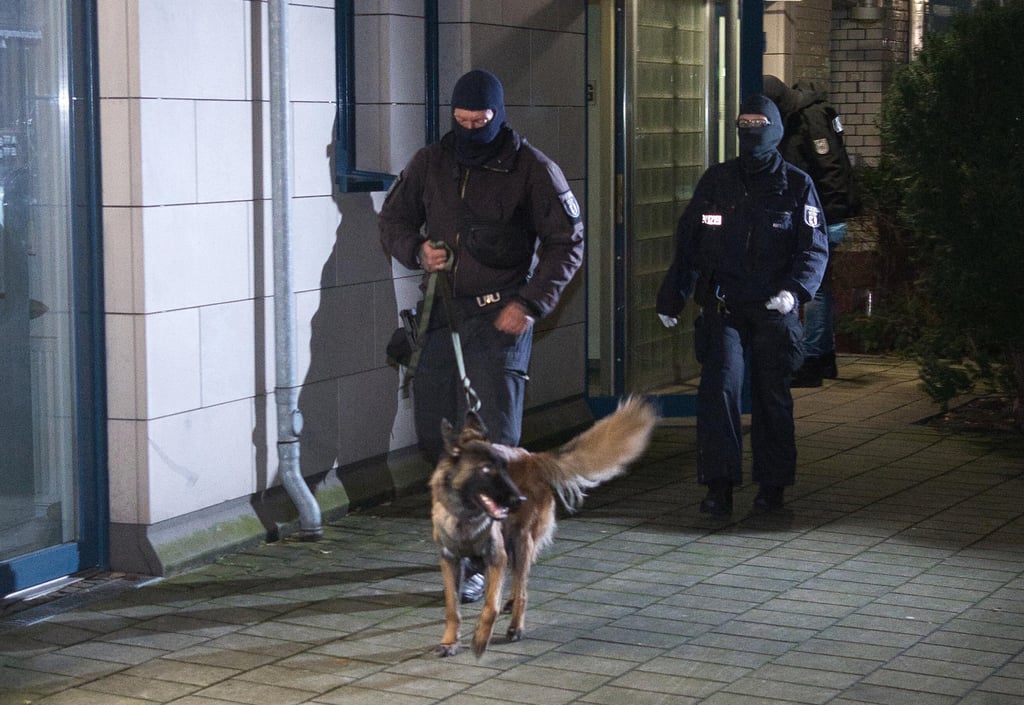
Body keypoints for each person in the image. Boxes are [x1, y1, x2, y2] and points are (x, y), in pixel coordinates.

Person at [379, 69, 584, 597]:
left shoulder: (531, 168)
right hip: (443, 315)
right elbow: (394, 221)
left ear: (499, 113)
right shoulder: (431, 161)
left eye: (482, 120)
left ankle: (482, 565)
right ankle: (459, 542)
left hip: (501, 321)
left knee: (492, 454)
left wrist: (530, 304)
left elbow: (568, 244)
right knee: (436, 437)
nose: (471, 128)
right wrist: (418, 251)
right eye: (462, 120)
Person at [656, 94, 829, 515]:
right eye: (744, 122)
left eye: (759, 122)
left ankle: (772, 487)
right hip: (725, 306)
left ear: (774, 129)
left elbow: (814, 249)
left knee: (771, 397)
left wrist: (795, 291)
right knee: (719, 392)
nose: (751, 130)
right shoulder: (718, 181)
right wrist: (673, 296)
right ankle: (718, 486)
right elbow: (690, 243)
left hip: (774, 308)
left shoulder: (796, 184)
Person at [763, 76, 861, 386]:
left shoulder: (810, 118)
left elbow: (829, 169)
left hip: (819, 217)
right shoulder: (797, 117)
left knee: (813, 289)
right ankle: (821, 356)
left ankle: (812, 361)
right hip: (811, 216)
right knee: (817, 288)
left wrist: (829, 219)